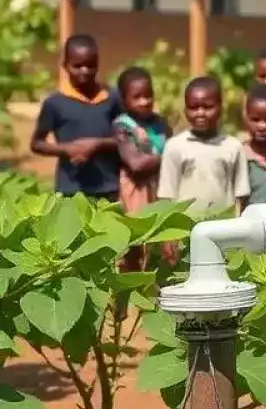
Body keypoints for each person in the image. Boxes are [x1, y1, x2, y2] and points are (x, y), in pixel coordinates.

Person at [31, 34, 121, 202]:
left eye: (91, 65)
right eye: (77, 66)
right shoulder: (55, 103)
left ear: (98, 64)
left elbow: (126, 138)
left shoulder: (112, 98)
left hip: (108, 188)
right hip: (70, 188)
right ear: (65, 66)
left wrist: (97, 145)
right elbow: (37, 143)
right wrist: (68, 149)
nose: (84, 71)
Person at [157, 75, 250, 220]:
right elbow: (166, 197)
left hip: (224, 228)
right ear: (185, 110)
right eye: (193, 107)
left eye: (207, 107)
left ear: (220, 108)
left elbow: (241, 195)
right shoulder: (175, 147)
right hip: (185, 230)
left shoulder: (233, 147)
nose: (200, 113)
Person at [113, 66, 172, 269]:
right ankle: (131, 295)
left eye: (148, 95)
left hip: (162, 187)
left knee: (164, 241)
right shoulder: (123, 126)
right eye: (136, 97)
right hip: (136, 190)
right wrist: (169, 157)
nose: (144, 101)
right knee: (137, 242)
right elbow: (136, 165)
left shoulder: (161, 123)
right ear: (123, 100)